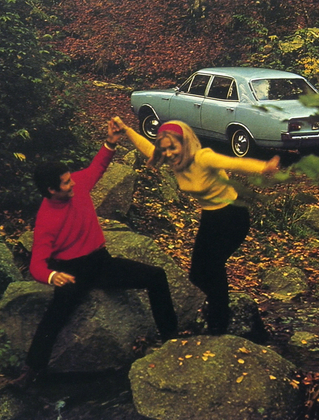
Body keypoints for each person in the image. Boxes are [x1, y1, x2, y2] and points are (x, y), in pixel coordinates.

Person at [20, 118, 178, 382]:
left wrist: (111, 141)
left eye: (70, 179)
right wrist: (51, 277)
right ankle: (33, 370)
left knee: (157, 276)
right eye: (66, 183)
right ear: (51, 190)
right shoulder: (46, 220)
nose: (73, 184)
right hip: (72, 271)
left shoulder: (78, 185)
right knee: (54, 317)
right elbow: (37, 263)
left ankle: (171, 339)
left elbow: (98, 167)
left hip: (101, 263)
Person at [111, 117, 279, 335]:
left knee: (213, 266)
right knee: (197, 274)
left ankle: (219, 322)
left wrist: (264, 167)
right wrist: (125, 129)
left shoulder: (203, 157)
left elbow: (233, 163)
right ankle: (209, 309)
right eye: (166, 149)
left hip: (232, 217)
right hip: (210, 218)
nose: (169, 153)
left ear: (185, 142)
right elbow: (147, 148)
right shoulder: (173, 160)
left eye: (173, 147)